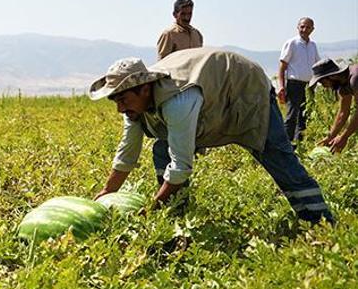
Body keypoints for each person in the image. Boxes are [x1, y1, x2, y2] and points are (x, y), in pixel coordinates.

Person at [89, 47, 334, 224]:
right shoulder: (134, 106)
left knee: (277, 156)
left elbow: (181, 165)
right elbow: (127, 154)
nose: (120, 108)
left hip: (244, 89)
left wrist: (153, 208)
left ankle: (320, 222)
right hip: (210, 99)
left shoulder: (178, 100)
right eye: (115, 100)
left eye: (123, 100)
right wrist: (106, 193)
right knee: (162, 148)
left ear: (144, 89)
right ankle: (177, 213)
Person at [277, 17, 321, 144]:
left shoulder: (313, 46)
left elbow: (318, 65)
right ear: (297, 27)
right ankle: (285, 145)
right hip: (294, 84)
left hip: (309, 85)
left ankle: (299, 145)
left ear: (312, 29)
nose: (304, 29)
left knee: (305, 116)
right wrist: (281, 86)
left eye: (308, 27)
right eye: (302, 26)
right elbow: (282, 67)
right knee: (291, 116)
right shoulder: (292, 43)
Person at [309, 57, 358, 153]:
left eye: (322, 82)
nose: (324, 86)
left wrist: (344, 137)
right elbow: (343, 113)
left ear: (332, 76)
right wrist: (330, 136)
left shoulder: (355, 79)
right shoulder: (343, 85)